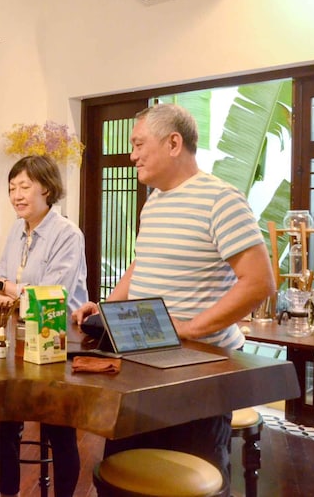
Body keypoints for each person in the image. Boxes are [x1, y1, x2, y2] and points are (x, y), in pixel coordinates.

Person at [73, 103, 275, 485]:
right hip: (143, 361)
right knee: (125, 475)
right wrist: (105, 308)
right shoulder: (155, 201)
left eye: (138, 144)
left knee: (184, 479)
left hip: (197, 369)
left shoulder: (221, 200)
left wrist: (192, 328)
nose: (132, 155)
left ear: (173, 143)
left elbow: (259, 283)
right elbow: (141, 265)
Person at [0, 154, 88, 497]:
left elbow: (52, 297)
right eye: (12, 188)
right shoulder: (17, 229)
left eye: (24, 186)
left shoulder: (67, 234)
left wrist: (9, 290)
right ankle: (6, 491)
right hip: (19, 339)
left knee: (60, 430)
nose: (16, 195)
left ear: (47, 187)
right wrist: (10, 290)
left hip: (61, 343)